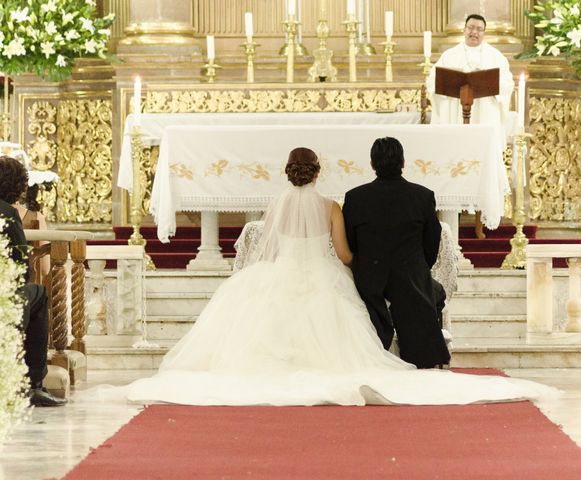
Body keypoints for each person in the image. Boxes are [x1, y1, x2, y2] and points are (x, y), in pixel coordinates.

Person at [115, 147, 556, 406]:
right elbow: (344, 253)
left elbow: (266, 249)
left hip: (279, 274)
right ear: (317, 172)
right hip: (321, 275)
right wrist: (345, 265)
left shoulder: (274, 207)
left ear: (287, 172)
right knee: (345, 317)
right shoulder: (330, 206)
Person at [342, 137, 450, 369]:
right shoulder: (422, 196)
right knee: (429, 295)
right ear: (403, 162)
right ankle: (421, 357)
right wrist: (419, 267)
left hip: (369, 278)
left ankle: (376, 352)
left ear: (372, 164)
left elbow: (350, 242)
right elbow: (432, 238)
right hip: (410, 275)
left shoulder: (355, 197)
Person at [427, 13, 514, 239]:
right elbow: (432, 81)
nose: (474, 32)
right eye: (470, 28)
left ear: (484, 33)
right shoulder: (449, 56)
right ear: (464, 30)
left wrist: (488, 85)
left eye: (479, 29)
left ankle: (480, 222)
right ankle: (448, 222)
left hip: (482, 123)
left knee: (481, 168)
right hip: (455, 122)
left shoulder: (496, 57)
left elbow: (506, 84)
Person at [0, 156, 66, 407]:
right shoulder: (7, 213)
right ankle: (34, 384)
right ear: (17, 187)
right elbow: (19, 262)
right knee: (38, 293)